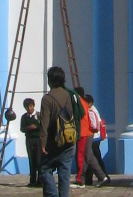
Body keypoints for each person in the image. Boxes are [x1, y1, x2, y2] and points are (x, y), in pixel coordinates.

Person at [39, 66, 83, 197]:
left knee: (44, 169)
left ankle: (53, 194)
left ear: (50, 81)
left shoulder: (47, 99)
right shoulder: (70, 95)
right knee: (65, 174)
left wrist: (42, 143)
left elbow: (44, 123)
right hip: (69, 140)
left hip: (53, 141)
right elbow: (79, 114)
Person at [83, 96, 112, 187]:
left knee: (94, 158)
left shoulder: (91, 111)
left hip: (94, 138)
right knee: (91, 157)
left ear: (89, 103)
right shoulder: (93, 110)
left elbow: (94, 125)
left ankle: (102, 175)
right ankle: (89, 178)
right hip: (95, 137)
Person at [20, 97, 42, 187]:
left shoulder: (39, 115)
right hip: (29, 139)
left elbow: (43, 126)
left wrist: (36, 127)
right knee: (31, 159)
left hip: (38, 139)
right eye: (27, 107)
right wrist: (28, 128)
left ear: (33, 106)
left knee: (39, 159)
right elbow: (22, 128)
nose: (29, 108)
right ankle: (32, 180)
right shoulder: (24, 117)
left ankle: (40, 180)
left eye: (30, 106)